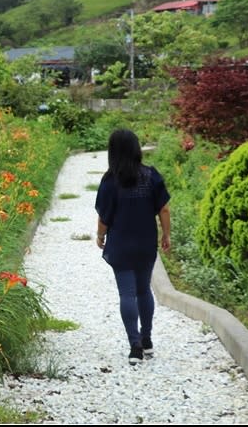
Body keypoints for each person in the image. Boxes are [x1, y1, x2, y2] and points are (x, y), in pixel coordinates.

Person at [94, 129, 171, 365]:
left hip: (121, 245)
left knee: (126, 294)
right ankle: (147, 340)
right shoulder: (151, 176)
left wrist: (100, 236)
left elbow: (104, 217)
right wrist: (166, 234)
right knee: (143, 290)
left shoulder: (110, 181)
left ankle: (134, 346)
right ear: (137, 148)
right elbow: (164, 209)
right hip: (146, 243)